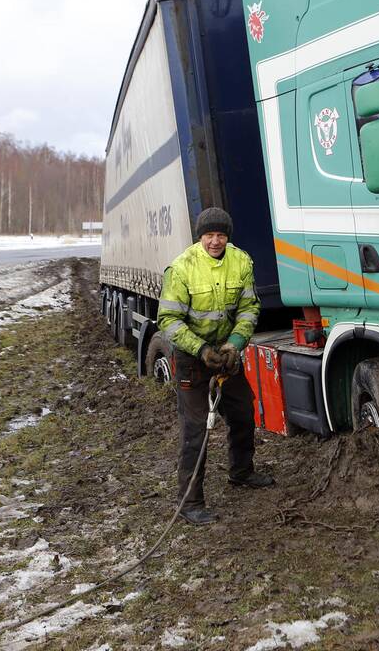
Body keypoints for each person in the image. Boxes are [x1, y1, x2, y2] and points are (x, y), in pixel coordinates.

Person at [157, 207, 274, 525]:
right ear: (200, 236)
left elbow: (250, 307)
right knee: (195, 430)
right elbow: (168, 319)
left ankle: (242, 472)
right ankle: (190, 502)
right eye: (209, 235)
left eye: (221, 235)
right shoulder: (182, 268)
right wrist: (202, 349)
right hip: (192, 357)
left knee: (243, 412)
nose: (215, 241)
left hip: (226, 354)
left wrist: (235, 345)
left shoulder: (241, 261)